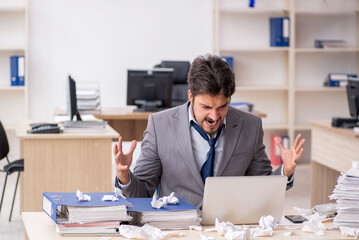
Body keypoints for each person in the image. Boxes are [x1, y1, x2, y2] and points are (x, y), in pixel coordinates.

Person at [114, 54, 305, 208]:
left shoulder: (250, 126)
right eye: (206, 107)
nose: (214, 116)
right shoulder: (160, 125)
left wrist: (285, 172)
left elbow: (262, 187)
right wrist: (125, 176)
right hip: (178, 229)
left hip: (230, 227)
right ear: (190, 96)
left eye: (222, 107)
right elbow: (143, 192)